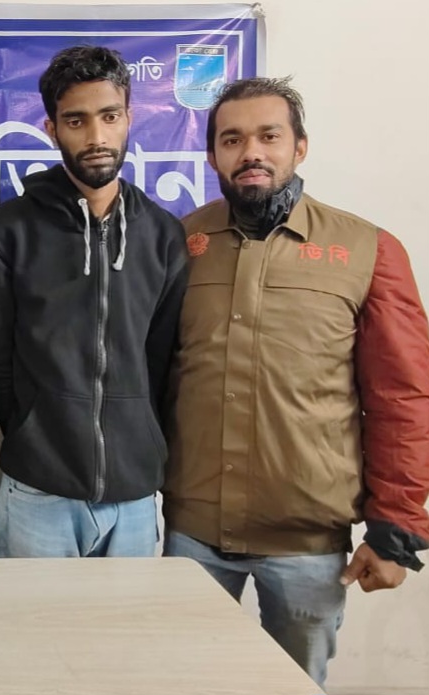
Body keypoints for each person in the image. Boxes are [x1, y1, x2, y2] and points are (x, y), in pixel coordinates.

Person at [163, 76, 429, 687]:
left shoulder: (367, 250)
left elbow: (402, 397)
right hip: (192, 535)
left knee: (294, 685)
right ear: (213, 155)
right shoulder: (180, 244)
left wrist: (396, 527)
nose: (250, 152)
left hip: (308, 545)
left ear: (299, 147)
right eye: (232, 139)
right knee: (184, 682)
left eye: (269, 136)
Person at [0, 45, 188, 558]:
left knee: (129, 617)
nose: (96, 137)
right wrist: (30, 433)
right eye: (76, 121)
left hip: (134, 493)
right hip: (38, 489)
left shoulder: (162, 235)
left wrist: (141, 442)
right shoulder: (11, 230)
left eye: (109, 117)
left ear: (129, 117)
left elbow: (162, 361)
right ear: (52, 129)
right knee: (33, 616)